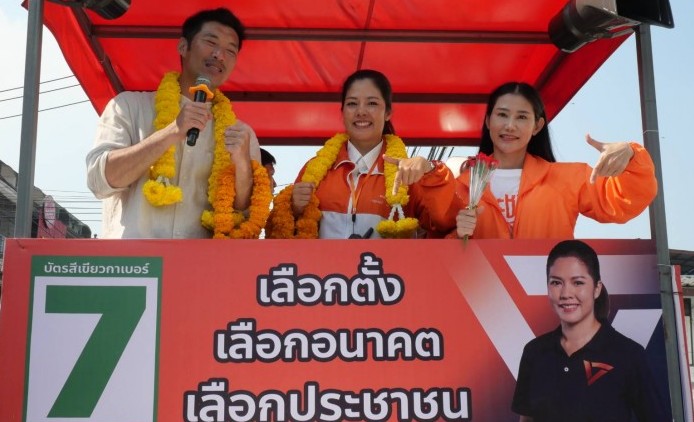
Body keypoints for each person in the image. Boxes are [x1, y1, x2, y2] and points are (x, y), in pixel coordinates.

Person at [86, 8, 271, 239]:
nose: (219, 55)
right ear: (183, 47)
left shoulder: (240, 133)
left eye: (230, 50)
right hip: (133, 259)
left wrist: (242, 165)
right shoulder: (129, 107)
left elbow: (245, 214)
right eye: (211, 42)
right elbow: (99, 181)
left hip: (199, 260)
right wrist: (171, 132)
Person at [264, 69, 457, 239]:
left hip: (386, 270)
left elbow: (446, 222)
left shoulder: (407, 172)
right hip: (323, 270)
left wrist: (430, 170)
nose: (361, 112)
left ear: (388, 112)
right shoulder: (314, 171)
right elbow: (281, 236)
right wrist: (294, 209)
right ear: (342, 112)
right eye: (352, 104)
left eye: (372, 103)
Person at [453, 82, 657, 239]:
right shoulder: (459, 184)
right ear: (488, 121)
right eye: (502, 115)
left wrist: (631, 155)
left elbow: (623, 203)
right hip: (480, 282)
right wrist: (459, 236)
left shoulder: (569, 178)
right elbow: (439, 247)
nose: (510, 125)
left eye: (522, 117)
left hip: (548, 282)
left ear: (537, 126)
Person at [512, 239, 670, 421]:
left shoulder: (628, 355)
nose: (565, 294)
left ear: (596, 289)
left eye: (578, 283)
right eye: (556, 283)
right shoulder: (534, 352)